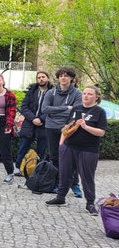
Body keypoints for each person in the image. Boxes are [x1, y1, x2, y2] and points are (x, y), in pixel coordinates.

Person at [45, 86, 107, 215]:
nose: (86, 96)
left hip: (88, 150)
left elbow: (101, 132)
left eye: (90, 94)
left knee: (87, 177)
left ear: (97, 97)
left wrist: (85, 126)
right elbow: (67, 127)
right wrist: (62, 145)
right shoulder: (76, 108)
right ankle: (60, 197)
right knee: (65, 173)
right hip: (69, 147)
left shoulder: (99, 112)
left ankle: (90, 203)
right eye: (84, 93)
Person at [41, 67, 83, 197]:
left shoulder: (77, 93)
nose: (63, 78)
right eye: (61, 76)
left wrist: (57, 112)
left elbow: (76, 111)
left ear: (71, 78)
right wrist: (66, 107)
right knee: (55, 157)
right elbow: (44, 109)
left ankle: (75, 184)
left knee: (71, 157)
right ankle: (57, 183)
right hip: (51, 127)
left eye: (66, 76)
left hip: (68, 128)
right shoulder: (51, 93)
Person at [13, 71, 53, 175]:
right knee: (23, 146)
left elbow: (52, 108)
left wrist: (41, 119)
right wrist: (33, 118)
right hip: (29, 123)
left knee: (42, 148)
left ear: (47, 78)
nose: (41, 79)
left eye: (43, 77)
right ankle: (18, 167)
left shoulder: (53, 92)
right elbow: (24, 107)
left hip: (44, 124)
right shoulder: (31, 91)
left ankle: (38, 170)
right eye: (39, 77)